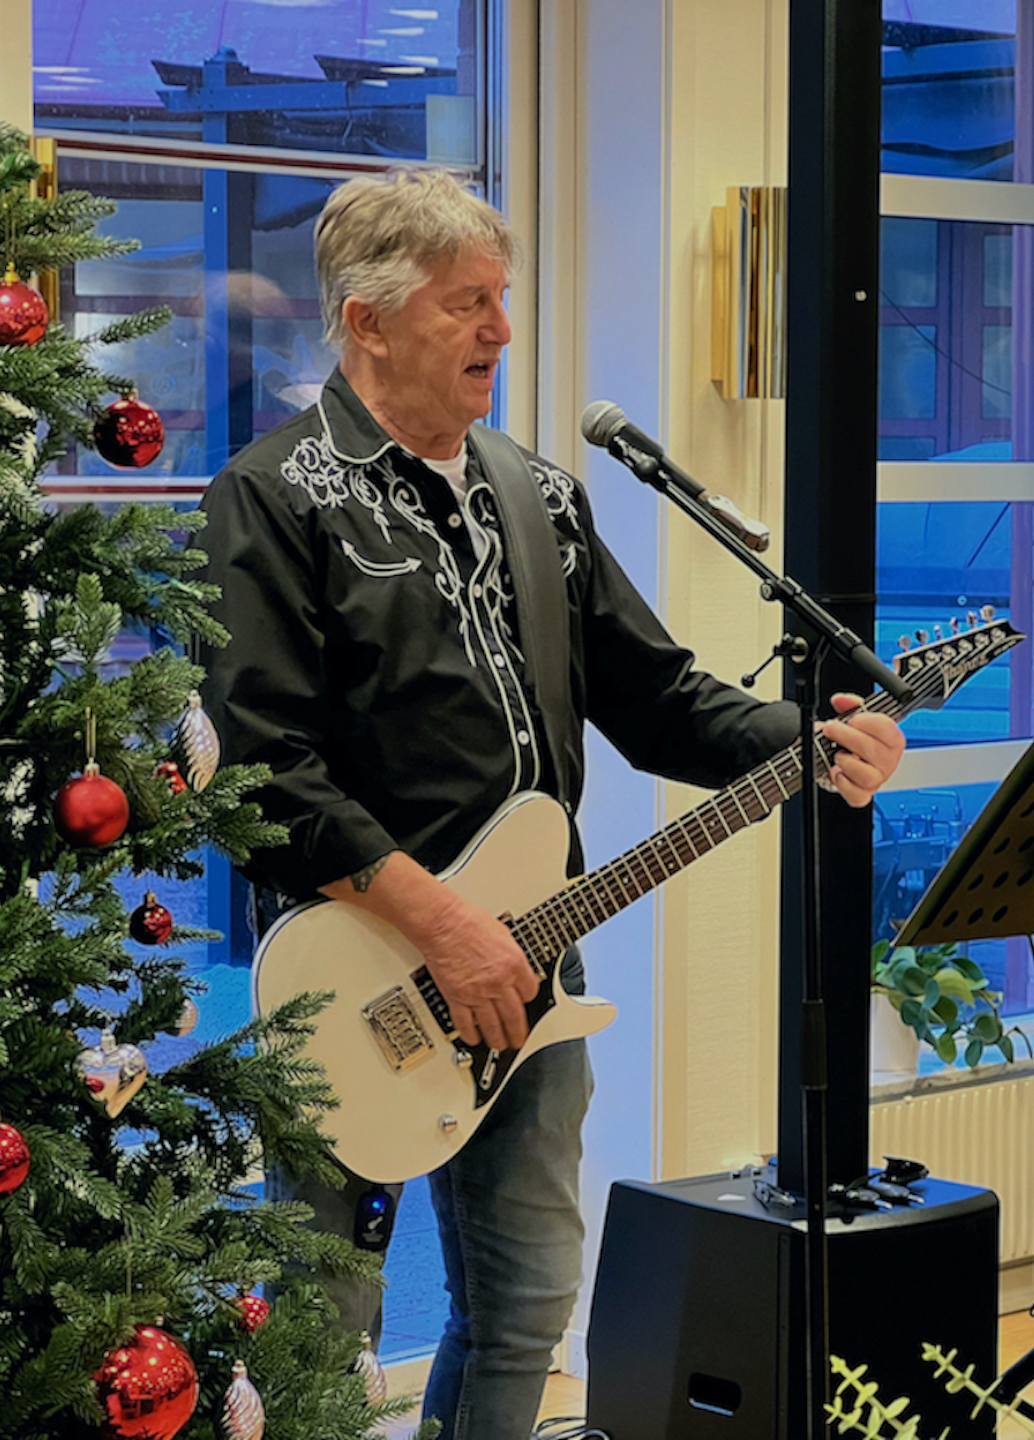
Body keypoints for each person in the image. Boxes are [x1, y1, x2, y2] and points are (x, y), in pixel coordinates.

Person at [198, 167, 904, 1440]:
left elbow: (659, 697)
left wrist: (808, 740)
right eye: (467, 303)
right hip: (348, 971)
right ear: (366, 320)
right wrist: (446, 928)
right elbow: (263, 771)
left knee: (524, 1305)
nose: (503, 330)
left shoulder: (540, 495)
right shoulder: (273, 495)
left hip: (531, 964)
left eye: (503, 297)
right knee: (319, 1328)